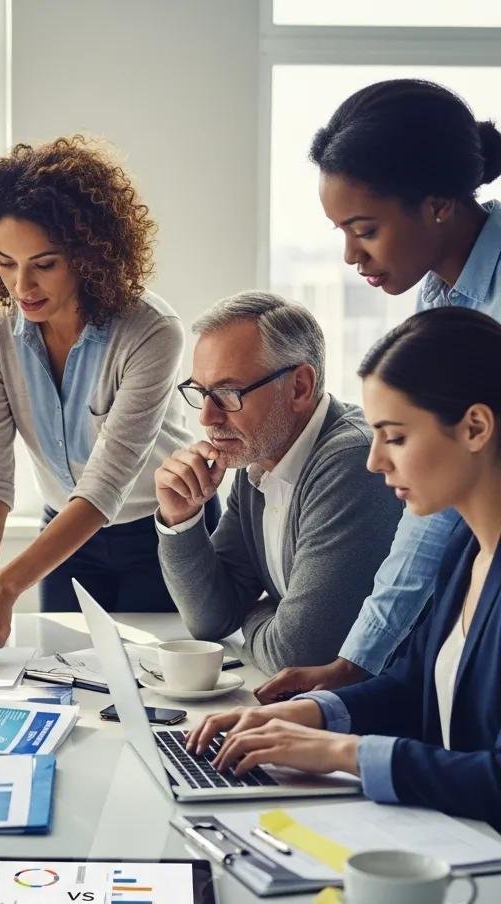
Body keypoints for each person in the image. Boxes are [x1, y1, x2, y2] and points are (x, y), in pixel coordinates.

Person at [189, 307, 501, 829]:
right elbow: (415, 686)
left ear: (475, 427)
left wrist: (341, 754)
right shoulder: (464, 553)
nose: (376, 461)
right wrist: (309, 715)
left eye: (395, 437)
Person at [0, 135, 207, 671]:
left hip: (159, 535)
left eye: (43, 264)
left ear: (90, 256)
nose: (21, 286)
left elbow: (105, 484)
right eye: (4, 264)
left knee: (159, 692)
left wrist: (4, 589)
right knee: (63, 683)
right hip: (64, 538)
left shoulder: (150, 331)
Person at [257, 77, 501, 701]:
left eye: (364, 228)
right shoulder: (437, 294)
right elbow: (430, 505)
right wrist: (355, 664)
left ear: (438, 205)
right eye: (341, 230)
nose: (349, 255)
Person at [154, 291, 401, 675]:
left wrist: (257, 613)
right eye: (201, 393)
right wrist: (181, 520)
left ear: (300, 387)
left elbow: (297, 656)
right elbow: (211, 620)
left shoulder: (353, 460)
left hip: (381, 717)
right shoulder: (257, 459)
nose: (206, 416)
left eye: (228, 393)